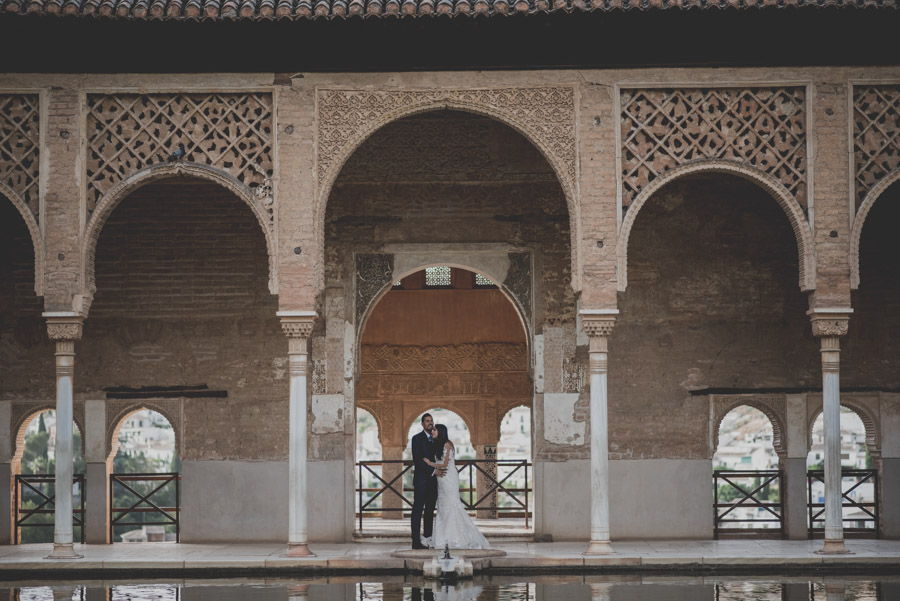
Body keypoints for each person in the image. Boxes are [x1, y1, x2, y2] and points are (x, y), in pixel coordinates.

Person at [424, 423, 491, 549]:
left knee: (452, 504)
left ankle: (456, 538)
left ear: (441, 432)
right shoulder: (437, 444)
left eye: (435, 430)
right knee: (443, 505)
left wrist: (429, 463)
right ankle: (442, 538)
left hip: (448, 478)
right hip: (441, 479)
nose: (433, 432)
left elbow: (444, 465)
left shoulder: (447, 444)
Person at [410, 413, 444, 549]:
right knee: (418, 511)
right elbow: (417, 460)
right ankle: (416, 541)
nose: (430, 423)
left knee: (430, 511)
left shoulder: (437, 439)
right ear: (422, 424)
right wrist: (433, 470)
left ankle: (428, 539)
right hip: (421, 481)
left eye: (432, 421)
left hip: (433, 483)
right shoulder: (417, 439)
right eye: (427, 421)